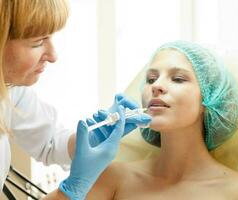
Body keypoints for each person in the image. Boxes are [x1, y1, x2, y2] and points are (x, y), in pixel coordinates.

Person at [0, 0, 151, 199]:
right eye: (38, 42)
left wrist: (90, 138)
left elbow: (49, 142)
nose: (53, 56)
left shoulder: (10, 90)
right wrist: (72, 189)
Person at [86, 41, 238, 199]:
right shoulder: (113, 179)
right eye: (151, 79)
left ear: (211, 98)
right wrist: (75, 182)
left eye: (178, 79)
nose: (156, 86)